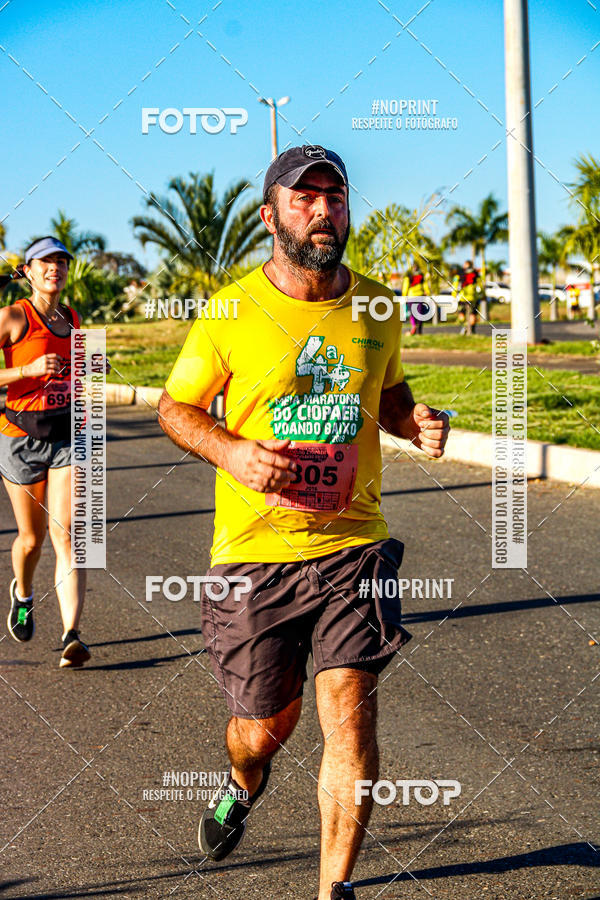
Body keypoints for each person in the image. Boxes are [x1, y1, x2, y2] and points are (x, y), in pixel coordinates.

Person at [159, 145, 450, 900]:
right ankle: (240, 782)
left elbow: (386, 394)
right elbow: (175, 408)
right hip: (255, 553)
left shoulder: (380, 307)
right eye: (304, 197)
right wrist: (233, 453)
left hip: (354, 543)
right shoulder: (230, 310)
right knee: (264, 729)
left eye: (335, 196)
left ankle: (334, 889)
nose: (324, 209)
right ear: (270, 216)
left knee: (349, 717)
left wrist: (411, 419)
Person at [1, 236, 90, 667]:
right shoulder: (14, 317)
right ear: (29, 270)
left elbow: (75, 373)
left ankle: (72, 634)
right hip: (17, 435)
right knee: (31, 540)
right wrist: (27, 369)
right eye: (46, 262)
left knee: (69, 533)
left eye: (62, 262)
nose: (55, 268)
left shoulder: (72, 320)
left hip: (65, 435)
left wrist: (92, 364)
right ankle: (22, 591)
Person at [401, 261, 430, 335]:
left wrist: (427, 291)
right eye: (413, 267)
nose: (415, 268)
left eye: (415, 266)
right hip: (411, 296)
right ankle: (414, 327)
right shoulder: (409, 275)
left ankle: (419, 331)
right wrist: (404, 295)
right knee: (413, 313)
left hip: (420, 296)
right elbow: (405, 286)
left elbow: (425, 284)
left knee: (420, 314)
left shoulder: (421, 275)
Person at [455, 260, 482, 334]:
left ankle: (464, 326)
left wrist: (454, 294)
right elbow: (480, 285)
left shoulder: (460, 273)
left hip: (462, 297)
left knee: (461, 313)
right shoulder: (476, 274)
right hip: (473, 297)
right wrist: (483, 294)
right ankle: (472, 330)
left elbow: (455, 284)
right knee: (473, 314)